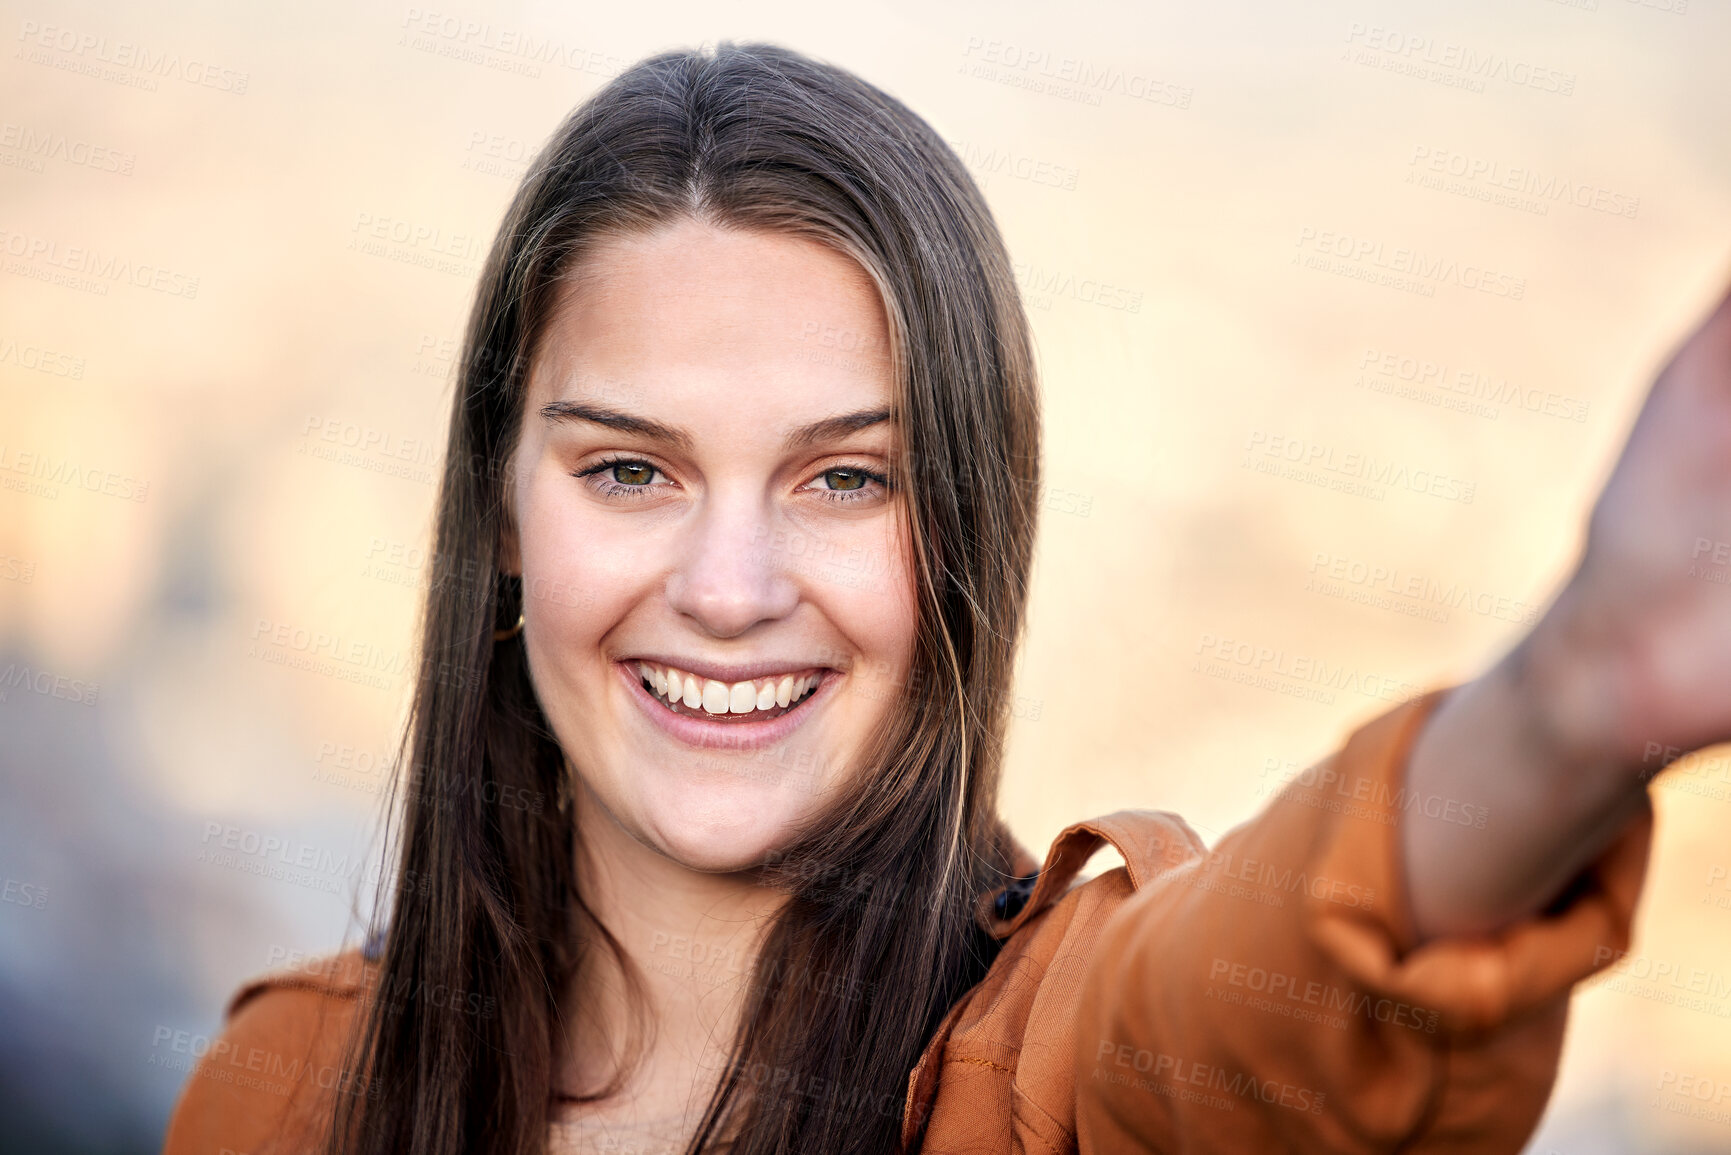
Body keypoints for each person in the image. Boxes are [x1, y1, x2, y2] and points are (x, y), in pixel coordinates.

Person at [161, 41, 1726, 1155]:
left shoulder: (1058, 1077)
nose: (725, 590)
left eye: (848, 479)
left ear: (969, 524)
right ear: (502, 509)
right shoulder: (283, 1094)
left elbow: (1287, 1007)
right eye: (629, 471)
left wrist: (1565, 706)